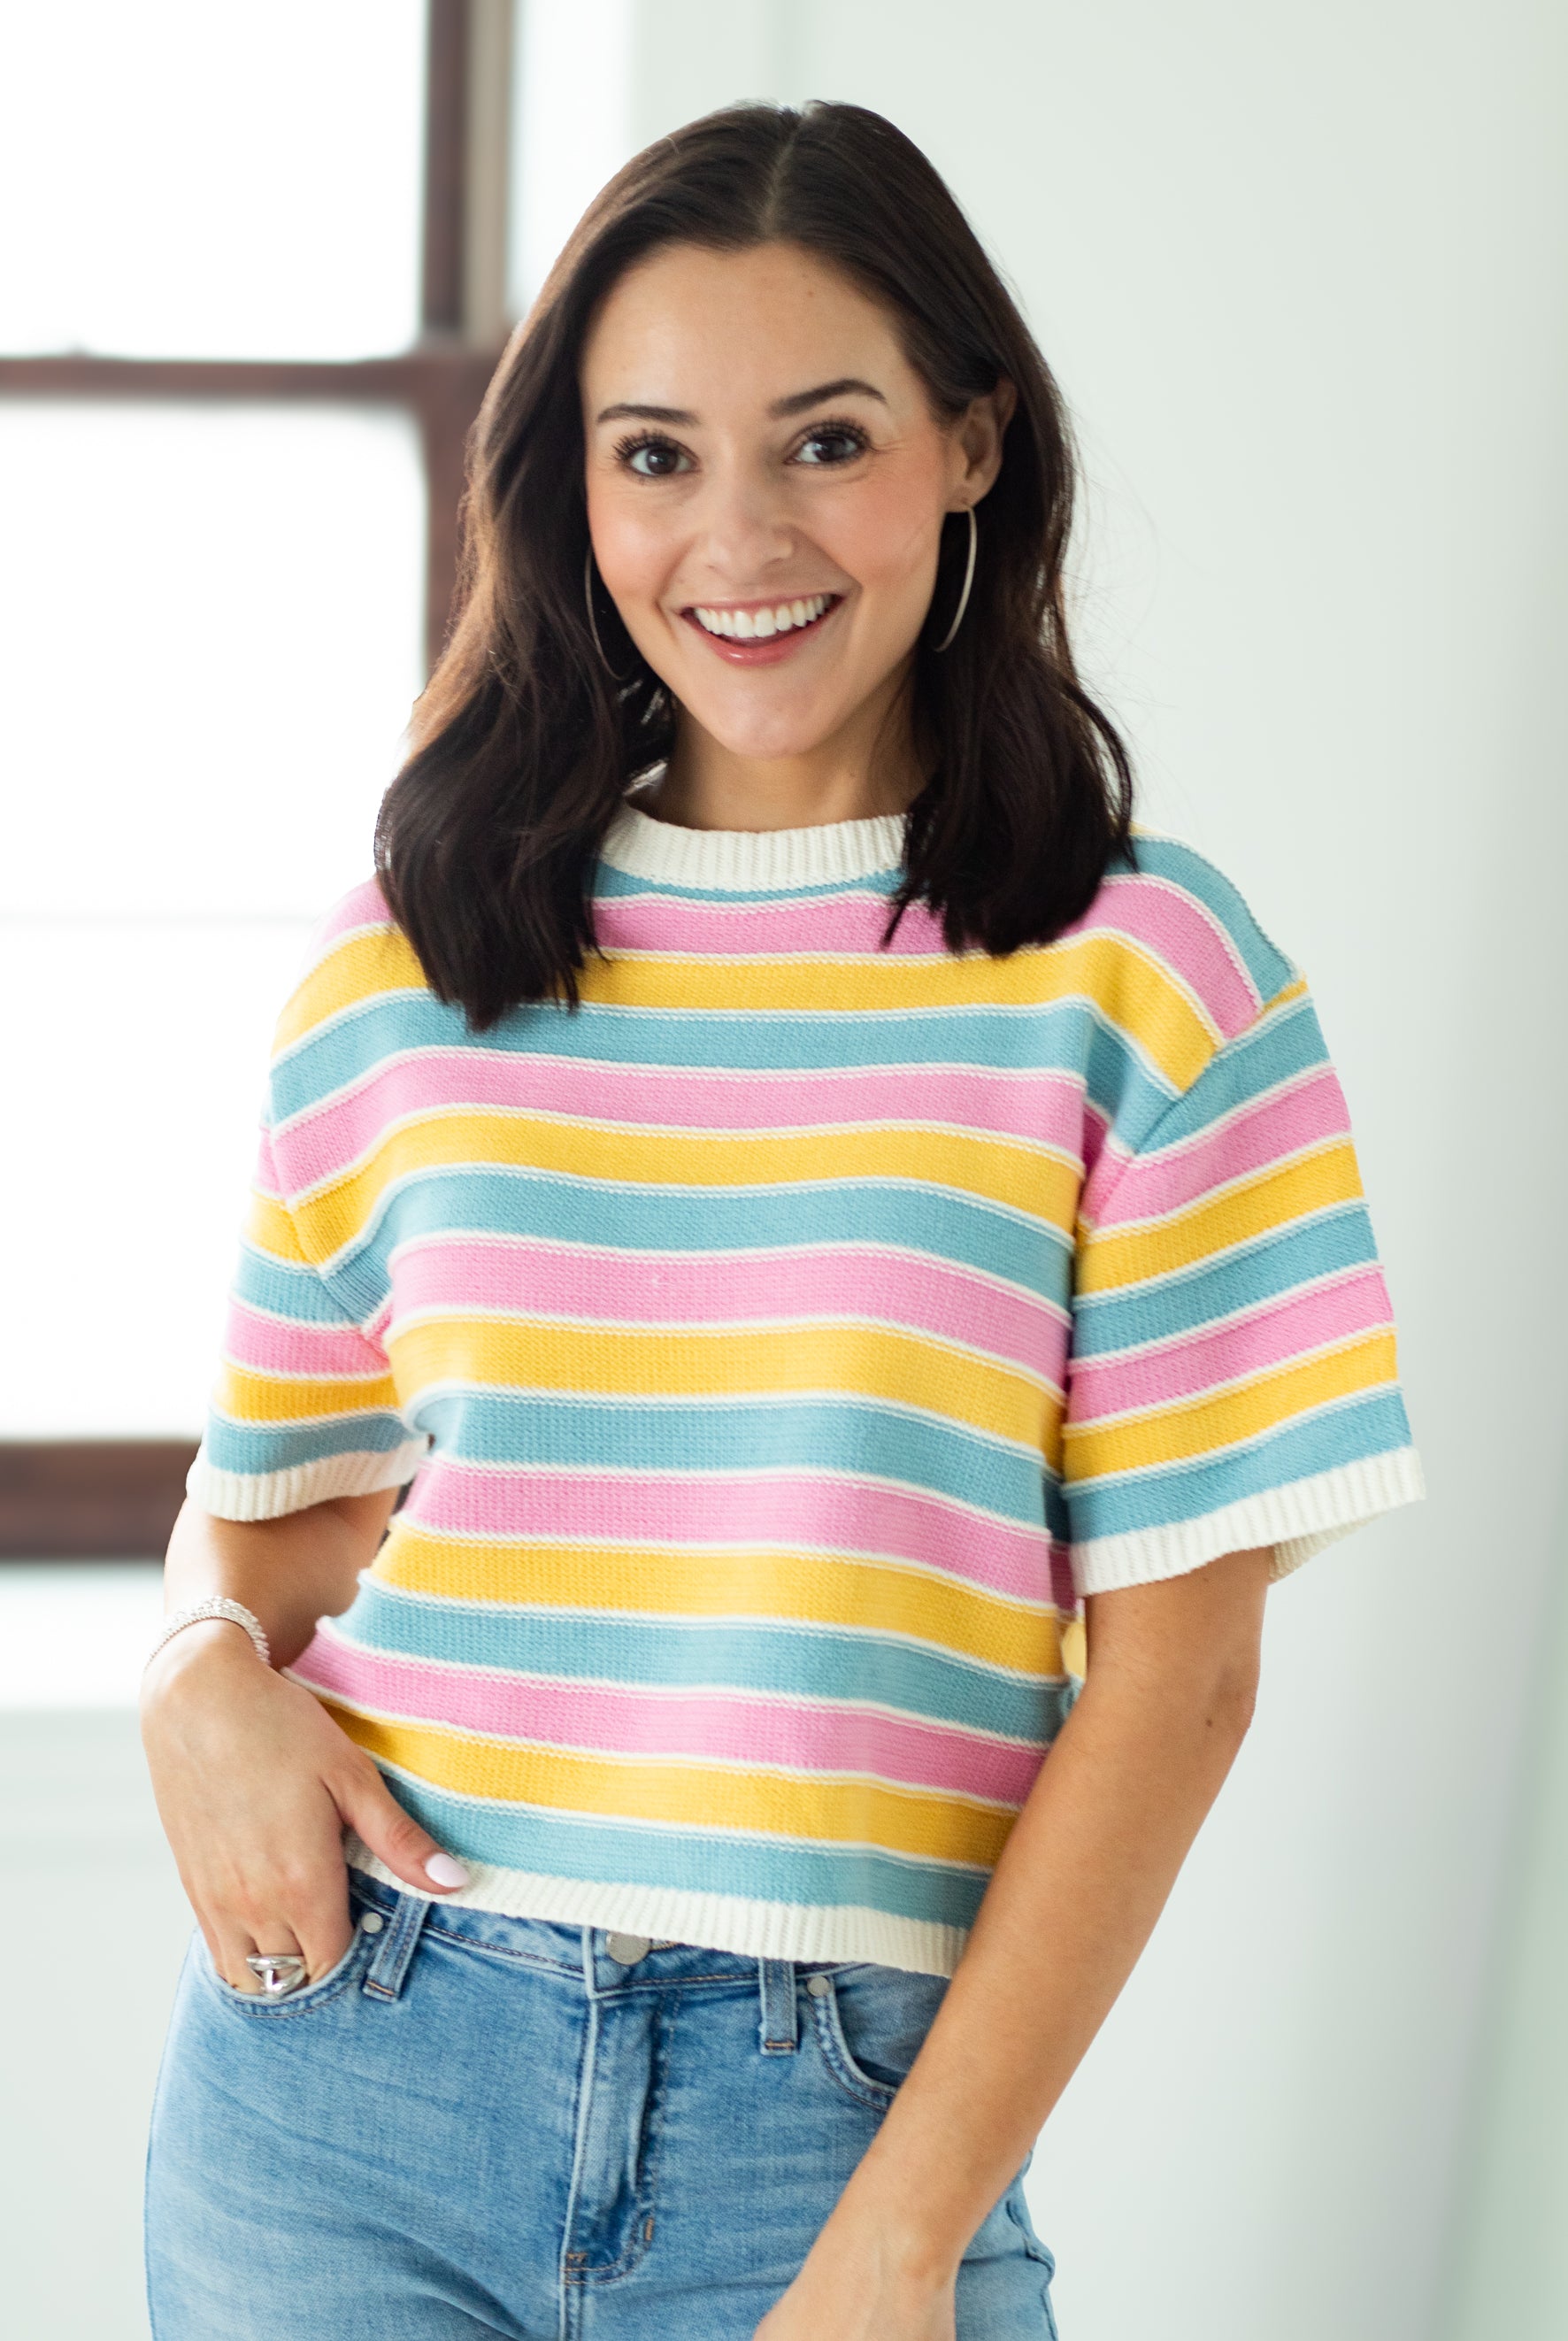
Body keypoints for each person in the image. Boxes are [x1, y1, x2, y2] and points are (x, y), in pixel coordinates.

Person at [140, 100, 1423, 2341]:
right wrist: (185, 1678)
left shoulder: (1143, 985)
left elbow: (1183, 1681)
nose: (736, 533)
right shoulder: (406, 967)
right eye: (654, 456)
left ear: (969, 443)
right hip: (344, 2075)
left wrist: (909, 2234)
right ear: (575, 491)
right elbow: (266, 1529)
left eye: (821, 440)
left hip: (824, 2118)